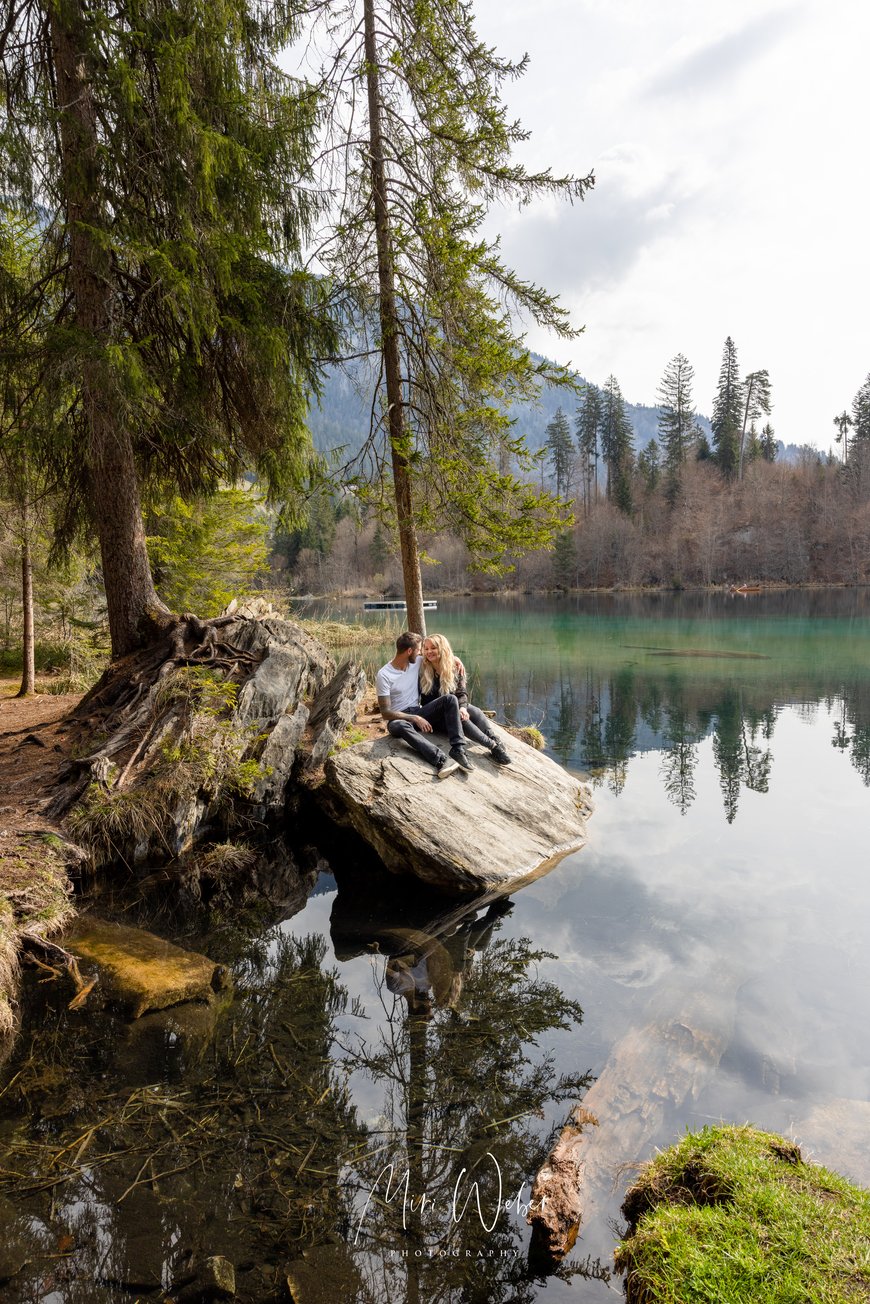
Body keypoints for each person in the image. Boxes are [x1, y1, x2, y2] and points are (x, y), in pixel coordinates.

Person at [375, 632, 474, 776]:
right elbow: (385, 712)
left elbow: (439, 655)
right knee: (400, 725)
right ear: (410, 651)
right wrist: (414, 718)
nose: (422, 653)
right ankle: (441, 760)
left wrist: (455, 659)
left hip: (418, 710)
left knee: (450, 699)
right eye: (419, 649)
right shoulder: (384, 675)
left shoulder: (415, 662)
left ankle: (458, 749)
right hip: (398, 719)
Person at [419, 633, 511, 765]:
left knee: (474, 710)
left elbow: (461, 692)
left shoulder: (454, 667)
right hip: (434, 715)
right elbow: (407, 654)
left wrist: (462, 708)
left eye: (433, 648)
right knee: (462, 719)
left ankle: (494, 738)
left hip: (451, 708)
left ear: (443, 649)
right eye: (426, 648)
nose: (429, 652)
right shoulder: (422, 666)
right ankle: (492, 746)